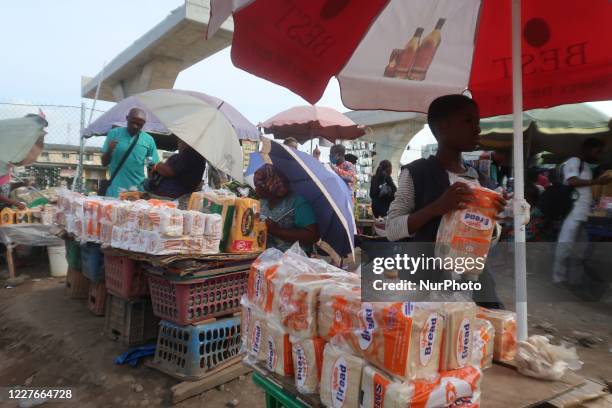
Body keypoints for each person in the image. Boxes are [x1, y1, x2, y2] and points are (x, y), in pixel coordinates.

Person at [385, 94, 506, 307]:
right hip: (425, 286)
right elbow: (392, 229)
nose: (477, 129)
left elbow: (489, 240)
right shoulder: (416, 173)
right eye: (468, 121)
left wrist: (493, 222)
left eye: (477, 123)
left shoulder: (482, 181)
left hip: (474, 289)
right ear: (442, 127)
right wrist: (437, 208)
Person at [552, 138, 611, 286]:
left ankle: (573, 279)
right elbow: (572, 181)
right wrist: (597, 182)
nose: (599, 155)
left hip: (583, 212)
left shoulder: (586, 167)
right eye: (597, 151)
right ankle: (558, 278)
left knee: (578, 247)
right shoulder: (574, 162)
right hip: (573, 210)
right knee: (565, 243)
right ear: (587, 149)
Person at [254, 164, 319, 253]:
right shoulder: (263, 202)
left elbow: (312, 236)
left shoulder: (297, 203)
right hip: (265, 258)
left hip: (292, 261)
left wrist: (278, 231)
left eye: (261, 188)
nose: (258, 191)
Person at [101, 108, 159, 197]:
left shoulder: (148, 140)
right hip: (115, 190)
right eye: (132, 122)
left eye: (139, 124)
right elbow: (104, 163)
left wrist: (150, 184)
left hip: (137, 191)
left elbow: (151, 165)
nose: (135, 126)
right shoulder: (114, 134)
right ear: (127, 118)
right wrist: (109, 150)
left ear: (144, 124)